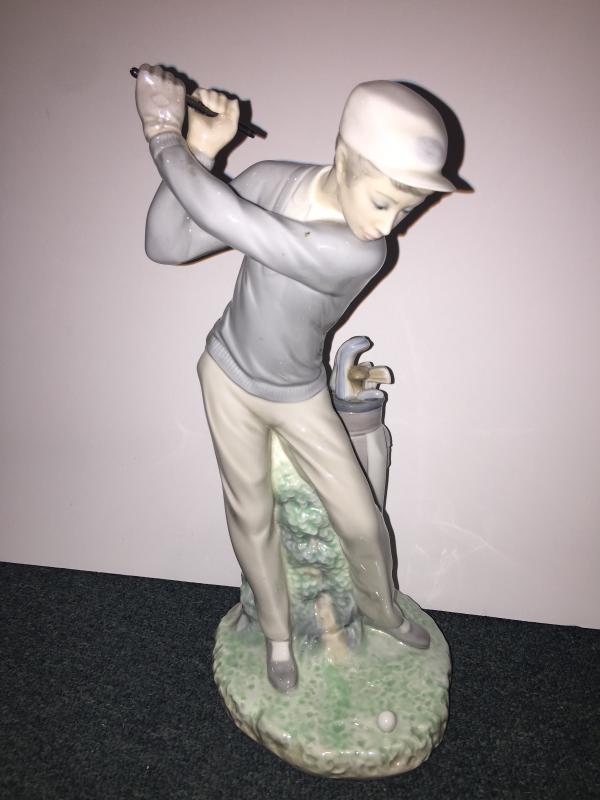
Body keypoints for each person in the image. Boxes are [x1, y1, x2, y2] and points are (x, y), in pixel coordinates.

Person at [134, 65, 455, 692]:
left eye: (408, 208)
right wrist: (199, 152)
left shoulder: (360, 250)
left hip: (299, 394)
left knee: (361, 520)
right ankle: (277, 636)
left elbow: (235, 221)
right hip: (228, 376)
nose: (389, 224)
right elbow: (166, 243)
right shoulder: (271, 180)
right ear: (343, 156)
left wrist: (163, 133)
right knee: (251, 514)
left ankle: (381, 611)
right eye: (383, 200)